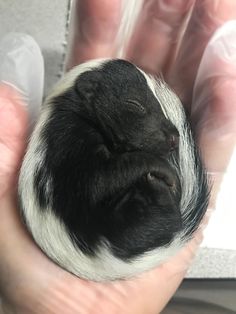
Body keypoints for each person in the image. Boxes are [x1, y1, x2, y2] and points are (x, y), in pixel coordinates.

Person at [0, 0, 236, 313]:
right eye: (136, 110)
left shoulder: (72, 127)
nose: (171, 135)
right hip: (102, 236)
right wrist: (146, 164)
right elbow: (99, 182)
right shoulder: (67, 143)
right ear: (90, 91)